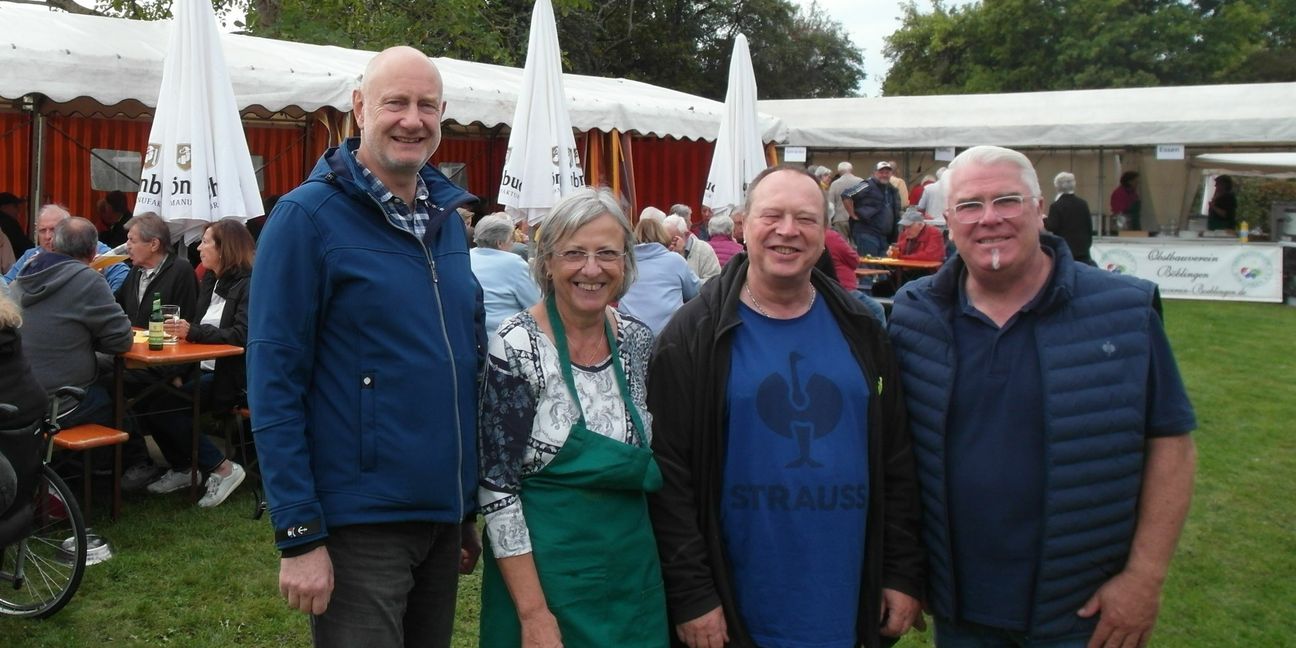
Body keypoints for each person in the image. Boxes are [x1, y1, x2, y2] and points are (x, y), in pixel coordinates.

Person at [889, 146, 1197, 647]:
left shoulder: (1123, 310)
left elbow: (1171, 445)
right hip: (960, 606)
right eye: (969, 205)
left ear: (1039, 209)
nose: (989, 219)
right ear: (948, 220)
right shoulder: (914, 315)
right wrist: (905, 570)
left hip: (1081, 608)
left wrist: (1145, 578)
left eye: (1006, 200)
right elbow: (894, 453)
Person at [247, 46, 482, 647]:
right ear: (358, 108)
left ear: (442, 114)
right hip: (361, 523)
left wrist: (464, 503)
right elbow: (275, 381)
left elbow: (462, 362)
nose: (412, 119)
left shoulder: (448, 223)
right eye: (395, 102)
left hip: (440, 514)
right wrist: (299, 534)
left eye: (426, 105)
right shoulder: (307, 218)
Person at [647, 166, 924, 648]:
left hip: (842, 598)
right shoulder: (691, 336)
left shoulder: (862, 326)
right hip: (738, 603)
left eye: (805, 219)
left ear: (825, 232)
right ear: (743, 224)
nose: (788, 231)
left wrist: (900, 570)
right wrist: (692, 594)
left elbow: (896, 456)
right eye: (772, 215)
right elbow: (670, 476)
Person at [477, 187, 668, 647]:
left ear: (626, 263)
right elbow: (497, 487)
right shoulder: (518, 344)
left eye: (607, 253)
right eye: (574, 253)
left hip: (631, 582)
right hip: (544, 583)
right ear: (546, 262)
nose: (591, 269)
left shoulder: (638, 342)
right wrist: (534, 614)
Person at [134, 219, 252, 508]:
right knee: (146, 397)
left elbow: (242, 335)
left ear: (225, 249)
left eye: (206, 242)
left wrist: (193, 332)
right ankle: (185, 468)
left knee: (162, 405)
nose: (199, 247)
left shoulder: (249, 285)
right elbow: (198, 331)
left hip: (233, 376)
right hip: (200, 367)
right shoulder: (211, 280)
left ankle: (222, 468)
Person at [9, 217, 132, 428]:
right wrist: (89, 340)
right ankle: (136, 460)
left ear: (54, 245)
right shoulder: (88, 279)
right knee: (120, 407)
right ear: (94, 252)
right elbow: (121, 340)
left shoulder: (25, 273)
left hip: (18, 395)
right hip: (60, 400)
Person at [4, 204, 129, 291]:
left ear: (68, 229)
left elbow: (122, 276)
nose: (48, 236)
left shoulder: (89, 248)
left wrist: (106, 298)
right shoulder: (31, 255)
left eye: (53, 230)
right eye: (42, 230)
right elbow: (5, 285)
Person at [617, 218, 700, 335]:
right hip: (668, 337)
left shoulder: (625, 263)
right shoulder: (675, 260)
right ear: (662, 234)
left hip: (630, 334)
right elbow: (693, 292)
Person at [115, 212, 198, 327]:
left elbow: (188, 317)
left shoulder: (181, 270)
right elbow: (117, 306)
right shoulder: (136, 271)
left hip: (167, 342)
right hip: (136, 342)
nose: (127, 246)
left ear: (154, 244)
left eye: (132, 241)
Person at [470, 213, 541, 333]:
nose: (512, 244)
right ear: (499, 243)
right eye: (511, 240)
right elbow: (536, 303)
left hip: (471, 335)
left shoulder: (466, 257)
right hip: (504, 337)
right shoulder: (514, 263)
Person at [842, 161, 900, 257]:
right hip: (867, 233)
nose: (884, 175)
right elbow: (846, 194)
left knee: (883, 265)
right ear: (874, 173)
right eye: (881, 172)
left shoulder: (892, 190)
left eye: (887, 172)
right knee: (869, 265)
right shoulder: (866, 184)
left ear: (891, 174)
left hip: (885, 237)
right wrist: (853, 214)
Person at [1046, 171, 1093, 264]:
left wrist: (1043, 219)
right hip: (1083, 250)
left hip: (1065, 250)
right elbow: (1089, 226)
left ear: (1057, 186)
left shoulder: (1056, 206)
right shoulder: (1083, 203)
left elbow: (1052, 226)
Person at [663, 214, 721, 284]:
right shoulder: (663, 250)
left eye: (673, 240)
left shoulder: (704, 249)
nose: (670, 246)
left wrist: (680, 255)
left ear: (686, 235)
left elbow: (714, 281)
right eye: (666, 241)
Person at [827, 161, 863, 244]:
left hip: (840, 219)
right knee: (857, 245)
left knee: (842, 245)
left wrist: (830, 221)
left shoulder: (835, 184)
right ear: (851, 169)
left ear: (839, 172)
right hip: (857, 218)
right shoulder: (861, 182)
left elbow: (830, 204)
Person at [0, 192, 33, 257]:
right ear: (3, 207)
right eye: (15, 206)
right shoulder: (8, 222)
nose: (18, 210)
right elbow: (24, 246)